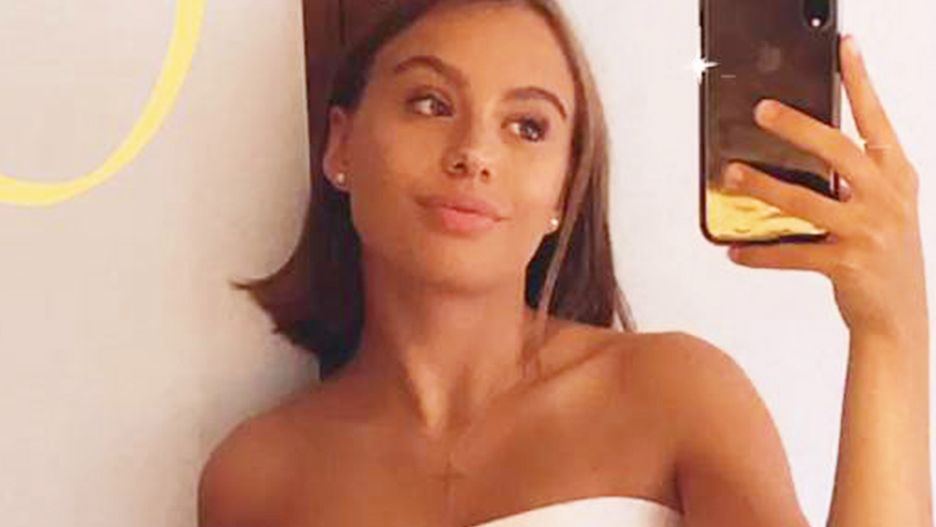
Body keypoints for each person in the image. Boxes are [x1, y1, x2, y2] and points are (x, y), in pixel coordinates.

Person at [197, 0, 932, 525]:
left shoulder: (674, 394)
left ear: (563, 190)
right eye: (429, 102)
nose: (475, 154)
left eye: (527, 125)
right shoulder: (254, 477)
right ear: (341, 146)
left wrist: (891, 331)